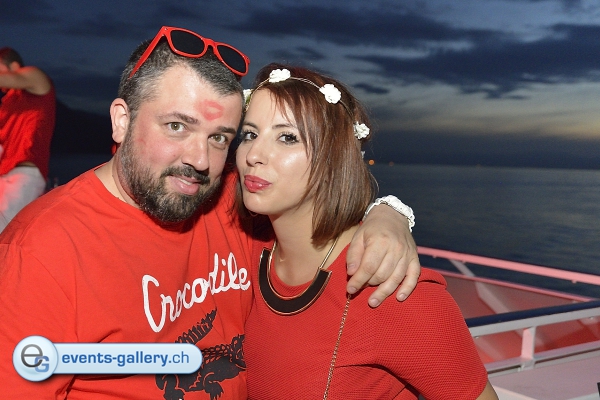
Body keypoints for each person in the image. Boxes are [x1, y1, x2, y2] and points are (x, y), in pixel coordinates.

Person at [0, 27, 420, 399]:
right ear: (122, 121)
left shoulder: (230, 201)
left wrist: (389, 214)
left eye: (220, 138)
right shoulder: (42, 251)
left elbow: (313, 189)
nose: (200, 161)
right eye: (177, 127)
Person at [238, 64, 499, 399]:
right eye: (250, 134)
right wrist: (390, 210)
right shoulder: (243, 249)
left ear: (334, 158)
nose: (253, 155)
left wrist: (391, 213)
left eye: (287, 137)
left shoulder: (394, 293)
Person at [0, 47, 55, 231]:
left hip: (24, 175)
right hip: (4, 174)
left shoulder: (36, 78)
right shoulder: (7, 103)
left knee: (5, 234)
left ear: (14, 66)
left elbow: (12, 79)